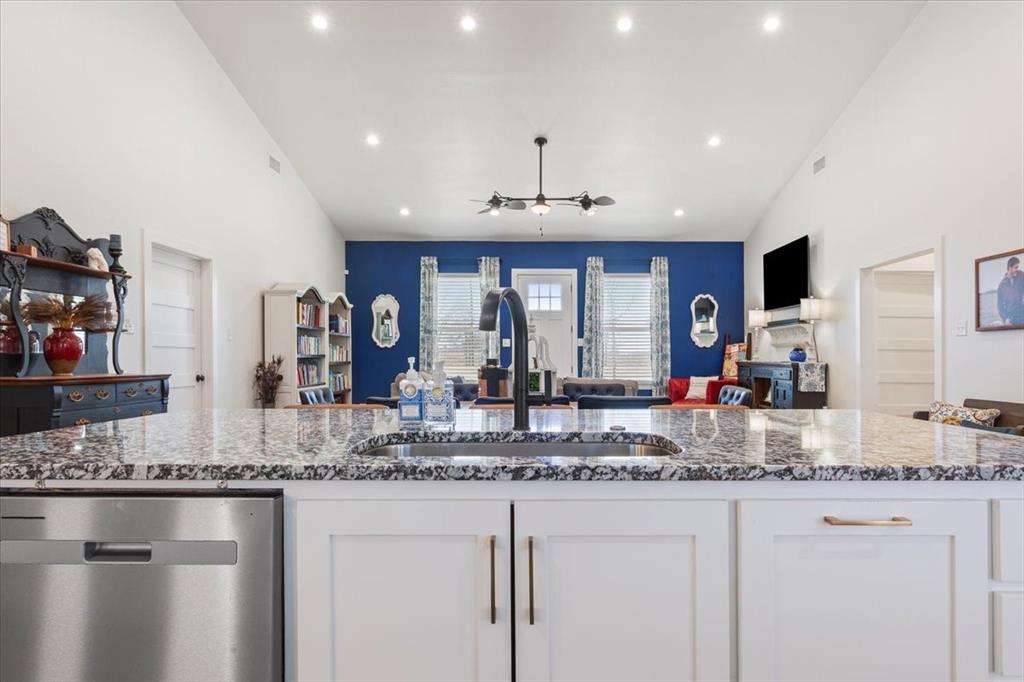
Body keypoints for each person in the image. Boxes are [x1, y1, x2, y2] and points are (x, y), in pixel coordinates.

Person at [996, 255, 1024, 326]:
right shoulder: (1002, 286)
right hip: (1011, 319)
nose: (1017, 269)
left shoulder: (1021, 275)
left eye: (1018, 267)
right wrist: (1005, 319)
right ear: (1010, 268)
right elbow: (1000, 306)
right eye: (1016, 267)